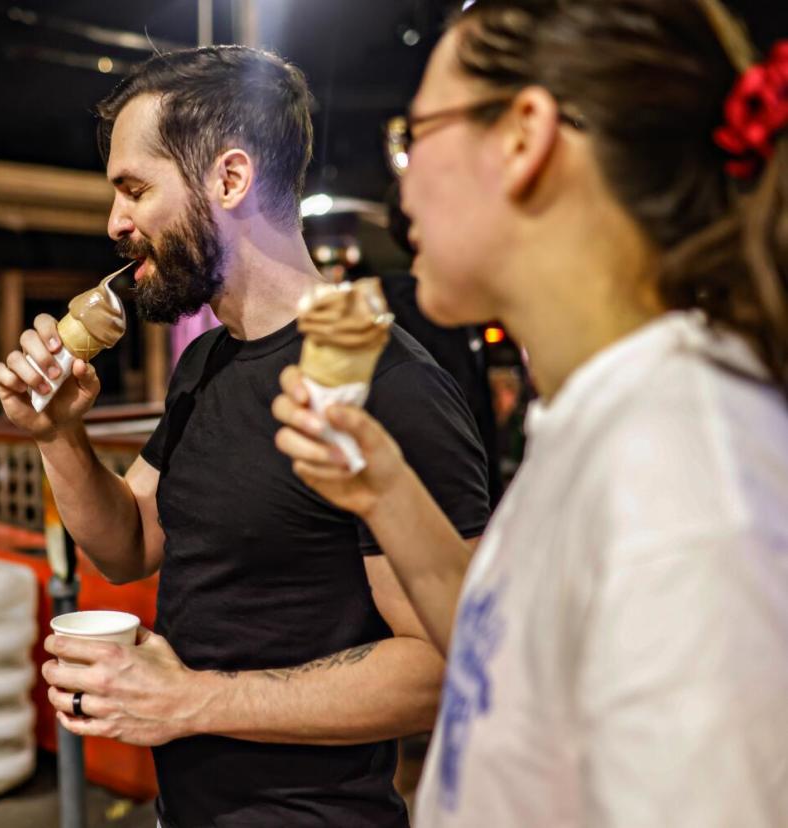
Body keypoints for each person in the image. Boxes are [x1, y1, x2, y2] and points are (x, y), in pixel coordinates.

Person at [272, 1, 788, 825]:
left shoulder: (687, 494)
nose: (400, 176)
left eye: (414, 134)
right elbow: (505, 661)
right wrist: (384, 490)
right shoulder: (604, 415)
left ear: (524, 137)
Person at [0, 46, 490, 826]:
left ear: (229, 179)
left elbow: (441, 669)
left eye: (135, 189)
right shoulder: (204, 363)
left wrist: (190, 701)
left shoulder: (386, 383)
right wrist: (58, 432)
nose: (114, 223)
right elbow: (127, 546)